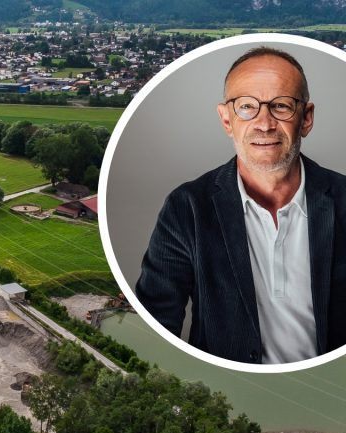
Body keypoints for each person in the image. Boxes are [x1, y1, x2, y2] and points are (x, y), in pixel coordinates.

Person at [135, 46, 346, 364]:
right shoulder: (187, 208)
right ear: (226, 119)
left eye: (281, 106)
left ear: (306, 118)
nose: (264, 123)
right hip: (221, 385)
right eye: (247, 106)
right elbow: (155, 326)